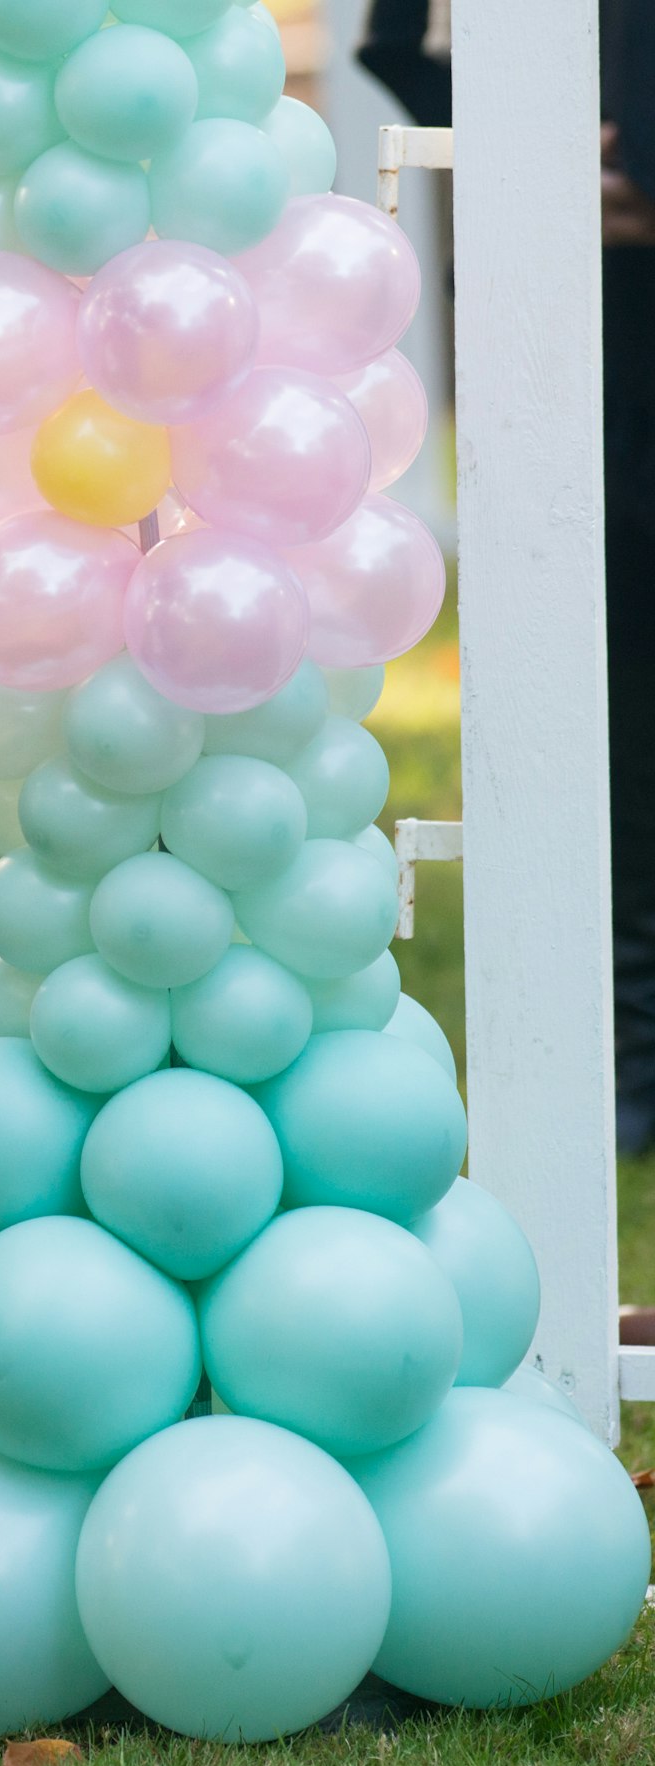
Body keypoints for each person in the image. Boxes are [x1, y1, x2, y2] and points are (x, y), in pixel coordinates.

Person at [358, 0, 655, 1156]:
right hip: (589, 323)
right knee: (611, 689)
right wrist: (513, 148)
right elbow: (410, 42)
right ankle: (633, 1056)